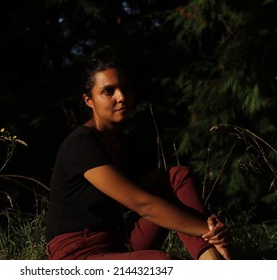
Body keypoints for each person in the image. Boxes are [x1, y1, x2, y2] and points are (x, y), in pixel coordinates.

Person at [45, 57, 231, 260]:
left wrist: (209, 230)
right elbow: (143, 205)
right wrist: (208, 230)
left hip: (119, 243)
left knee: (177, 176)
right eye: (108, 91)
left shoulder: (128, 145)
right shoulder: (80, 143)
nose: (122, 97)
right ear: (88, 100)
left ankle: (212, 261)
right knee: (162, 263)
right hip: (78, 254)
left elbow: (165, 190)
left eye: (126, 88)